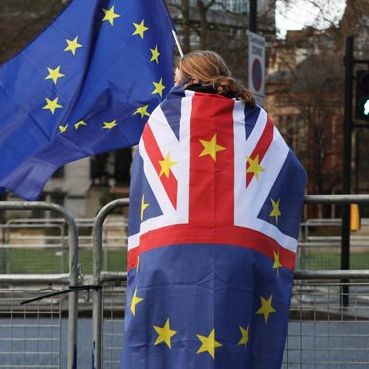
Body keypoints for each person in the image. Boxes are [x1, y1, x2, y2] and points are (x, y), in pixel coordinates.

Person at [122, 51, 307, 367]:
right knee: (232, 347)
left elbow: (142, 176)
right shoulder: (256, 118)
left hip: (167, 256)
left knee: (164, 348)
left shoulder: (164, 117)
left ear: (190, 80)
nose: (173, 85)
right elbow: (292, 172)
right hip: (240, 256)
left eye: (177, 78)